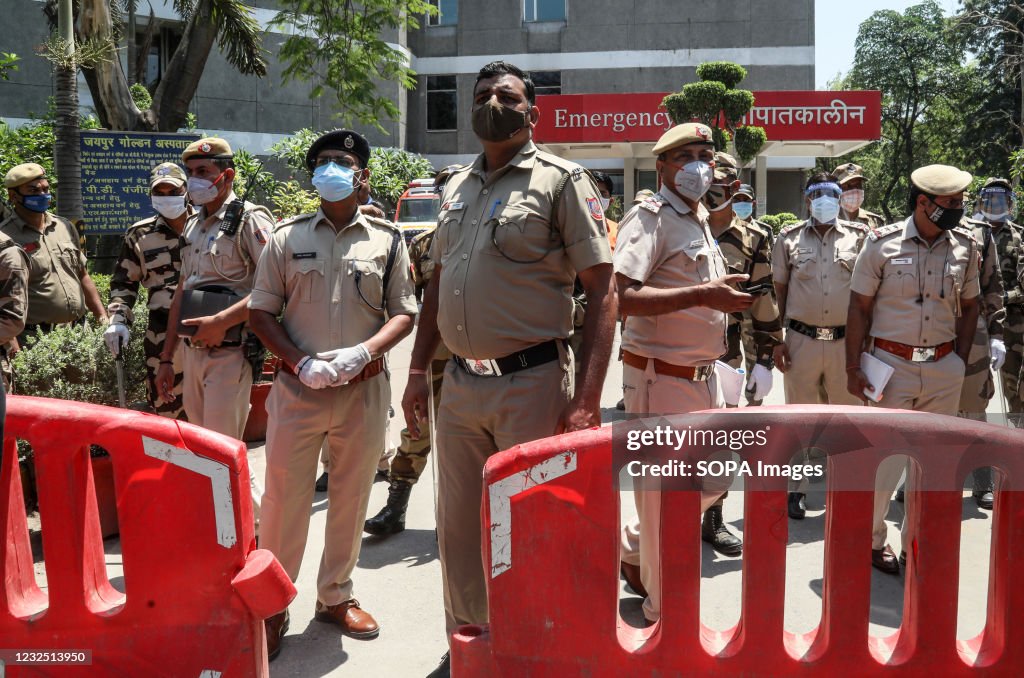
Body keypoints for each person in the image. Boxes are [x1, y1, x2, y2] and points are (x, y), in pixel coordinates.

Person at [400, 61, 617, 678]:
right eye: (483, 95)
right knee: (460, 533)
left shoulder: (563, 182)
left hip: (534, 383)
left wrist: (588, 400)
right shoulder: (456, 186)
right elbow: (439, 283)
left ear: (532, 112)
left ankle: (535, 644)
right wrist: (418, 370)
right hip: (461, 387)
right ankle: (471, 645)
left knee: (534, 524)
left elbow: (603, 293)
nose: (493, 103)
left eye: (508, 95)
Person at [252, 129, 417, 659]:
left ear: (362, 175)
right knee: (283, 501)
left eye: (341, 162)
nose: (329, 170)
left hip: (363, 390)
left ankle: (335, 596)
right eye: (321, 162)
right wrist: (299, 361)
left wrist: (363, 353)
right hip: (297, 389)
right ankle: (273, 605)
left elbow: (404, 312)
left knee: (350, 497)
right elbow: (260, 311)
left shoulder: (388, 239)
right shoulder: (285, 236)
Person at [615, 123, 755, 624]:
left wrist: (718, 295)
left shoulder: (696, 218)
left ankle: (632, 548)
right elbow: (621, 298)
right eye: (685, 156)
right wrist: (702, 295)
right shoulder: (650, 217)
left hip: (703, 375)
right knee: (665, 498)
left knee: (716, 476)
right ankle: (661, 612)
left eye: (705, 154)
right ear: (663, 166)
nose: (699, 165)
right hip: (659, 378)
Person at [846, 164, 980, 575]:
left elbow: (971, 304)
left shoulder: (965, 247)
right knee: (883, 466)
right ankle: (872, 541)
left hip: (942, 369)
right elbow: (859, 307)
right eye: (950, 203)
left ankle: (915, 547)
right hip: (891, 366)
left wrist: (958, 355)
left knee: (930, 467)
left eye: (960, 201)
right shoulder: (881, 244)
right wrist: (853, 366)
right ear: (923, 203)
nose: (958, 209)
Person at [155, 138, 275, 530]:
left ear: (227, 175)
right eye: (190, 172)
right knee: (204, 448)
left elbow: (274, 288)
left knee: (224, 449)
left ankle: (259, 532)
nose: (194, 180)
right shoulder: (192, 223)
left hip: (231, 351)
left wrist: (221, 321)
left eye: (203, 172)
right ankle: (223, 531)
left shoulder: (251, 219)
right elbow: (181, 292)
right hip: (193, 352)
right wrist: (167, 357)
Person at [364, 165, 458, 536]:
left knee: (477, 437)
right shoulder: (423, 245)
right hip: (437, 355)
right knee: (418, 430)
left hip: (486, 355)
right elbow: (408, 302)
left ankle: (472, 513)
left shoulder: (490, 240)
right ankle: (396, 505)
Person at [772, 173, 869, 519]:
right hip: (801, 340)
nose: (825, 200)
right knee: (801, 422)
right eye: (818, 194)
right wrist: (777, 341)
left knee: (846, 422)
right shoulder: (788, 239)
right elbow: (778, 293)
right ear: (808, 199)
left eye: (832, 193)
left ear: (840, 198)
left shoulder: (860, 238)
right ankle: (796, 491)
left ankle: (844, 489)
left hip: (846, 341)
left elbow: (866, 296)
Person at [103, 162, 191, 418]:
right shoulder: (139, 233)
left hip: (206, 327)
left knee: (211, 408)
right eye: (160, 193)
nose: (167, 198)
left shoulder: (207, 226)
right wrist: (118, 321)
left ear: (186, 191)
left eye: (173, 192)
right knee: (167, 406)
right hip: (162, 332)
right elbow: (124, 283)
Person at [705, 152, 781, 407]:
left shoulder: (754, 238)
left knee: (740, 420)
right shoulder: (681, 229)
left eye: (716, 183)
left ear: (733, 187)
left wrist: (765, 359)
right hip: (690, 348)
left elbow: (764, 301)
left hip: (735, 343)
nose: (708, 189)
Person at [1, 163, 108, 344]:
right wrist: (12, 343)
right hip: (34, 339)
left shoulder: (64, 226)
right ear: (14, 196)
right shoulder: (5, 237)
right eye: (34, 191)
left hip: (78, 333)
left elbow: (82, 275)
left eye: (45, 189)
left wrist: (102, 318)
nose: (43, 195)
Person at [955, 213, 1005, 509]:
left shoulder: (981, 234)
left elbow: (993, 286)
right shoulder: (916, 230)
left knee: (974, 409)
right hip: (926, 332)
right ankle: (916, 481)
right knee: (925, 409)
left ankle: (982, 482)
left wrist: (997, 334)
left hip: (973, 332)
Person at [974, 178, 1024, 425]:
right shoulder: (969, 234)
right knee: (975, 389)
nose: (995, 205)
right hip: (975, 324)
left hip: (1013, 326)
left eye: (1002, 200)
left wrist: (1005, 298)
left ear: (1010, 204)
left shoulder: (1019, 237)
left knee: (1015, 390)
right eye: (991, 200)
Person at [832, 162, 885, 231]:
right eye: (848, 186)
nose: (855, 190)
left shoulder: (875, 221)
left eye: (858, 185)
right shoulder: (829, 221)